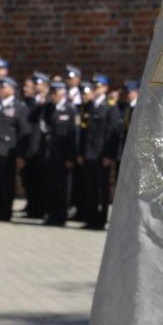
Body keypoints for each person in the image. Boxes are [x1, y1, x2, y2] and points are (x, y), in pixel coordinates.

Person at [0, 76, 30, 222]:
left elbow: (23, 131)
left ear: (11, 89)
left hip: (7, 150)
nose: (0, 91)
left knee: (5, 183)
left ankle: (5, 212)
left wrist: (21, 155)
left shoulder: (19, 107)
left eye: (3, 88)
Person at [79, 73, 120, 230]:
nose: (96, 89)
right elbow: (84, 132)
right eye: (94, 86)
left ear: (105, 88)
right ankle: (91, 218)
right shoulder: (89, 106)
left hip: (101, 154)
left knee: (102, 188)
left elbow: (112, 133)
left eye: (99, 86)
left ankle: (101, 219)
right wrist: (82, 153)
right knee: (90, 187)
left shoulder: (110, 107)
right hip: (89, 153)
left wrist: (109, 155)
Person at [40, 80, 77, 226]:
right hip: (50, 154)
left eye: (56, 93)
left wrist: (70, 157)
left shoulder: (69, 110)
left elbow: (72, 136)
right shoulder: (49, 108)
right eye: (52, 93)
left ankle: (61, 216)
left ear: (62, 94)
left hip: (63, 156)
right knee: (51, 186)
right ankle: (51, 214)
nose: (53, 96)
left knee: (63, 188)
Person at [23, 71, 49, 219]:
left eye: (39, 84)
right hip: (32, 145)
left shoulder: (50, 101)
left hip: (44, 146)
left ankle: (42, 209)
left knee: (43, 181)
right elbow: (29, 118)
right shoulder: (31, 101)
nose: (36, 87)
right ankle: (33, 208)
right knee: (31, 180)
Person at [69, 80, 94, 222]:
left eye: (86, 93)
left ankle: (85, 212)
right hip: (78, 151)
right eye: (81, 93)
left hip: (86, 152)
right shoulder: (79, 108)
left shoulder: (93, 108)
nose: (83, 96)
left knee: (87, 185)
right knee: (78, 184)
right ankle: (79, 210)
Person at [116, 80, 140, 182]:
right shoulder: (126, 107)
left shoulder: (138, 108)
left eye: (129, 92)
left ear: (136, 92)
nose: (126, 95)